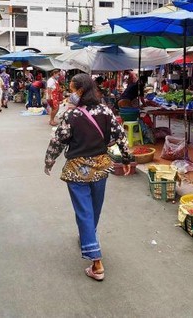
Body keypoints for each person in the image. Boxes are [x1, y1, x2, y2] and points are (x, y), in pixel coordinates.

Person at [44, 73, 132, 281]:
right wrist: (127, 159)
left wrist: (49, 161)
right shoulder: (105, 111)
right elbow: (121, 136)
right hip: (101, 168)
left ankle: (96, 263)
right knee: (94, 208)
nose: (70, 94)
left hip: (77, 170)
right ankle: (88, 236)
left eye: (73, 90)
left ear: (81, 91)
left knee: (84, 211)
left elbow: (58, 141)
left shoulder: (72, 116)